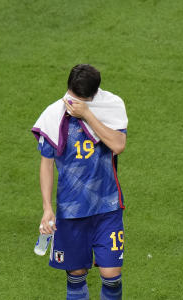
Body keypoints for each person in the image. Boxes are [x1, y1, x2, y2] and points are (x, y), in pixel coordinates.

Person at [31, 64, 128, 300]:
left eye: (78, 99)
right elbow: (46, 164)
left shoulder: (110, 107)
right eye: (71, 96)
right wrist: (47, 208)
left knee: (111, 276)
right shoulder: (53, 116)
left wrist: (87, 114)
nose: (71, 103)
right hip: (71, 211)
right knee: (76, 275)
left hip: (107, 207)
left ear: (93, 96)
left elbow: (118, 145)